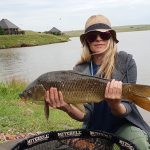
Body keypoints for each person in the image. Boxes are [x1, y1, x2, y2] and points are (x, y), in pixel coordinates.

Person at [45, 15, 150, 149]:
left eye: (104, 35)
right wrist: (66, 107)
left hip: (124, 123)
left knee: (139, 143)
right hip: (95, 126)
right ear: (87, 41)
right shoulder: (79, 70)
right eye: (92, 36)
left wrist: (115, 104)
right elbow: (85, 115)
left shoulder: (125, 60)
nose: (98, 39)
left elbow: (127, 108)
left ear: (111, 37)